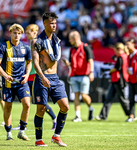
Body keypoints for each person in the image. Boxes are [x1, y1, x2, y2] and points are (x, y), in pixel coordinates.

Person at [31, 12, 69, 147]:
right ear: (44, 23)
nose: (54, 25)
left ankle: (56, 136)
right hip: (42, 77)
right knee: (41, 109)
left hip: (55, 78)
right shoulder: (37, 41)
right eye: (51, 23)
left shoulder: (57, 40)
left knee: (65, 106)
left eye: (55, 23)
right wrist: (42, 77)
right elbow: (35, 62)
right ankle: (38, 140)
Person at [12, 24, 57, 131]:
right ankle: (23, 124)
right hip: (29, 77)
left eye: (29, 32)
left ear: (35, 32)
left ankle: (55, 119)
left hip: (36, 77)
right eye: (26, 33)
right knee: (26, 102)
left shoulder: (39, 44)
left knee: (40, 102)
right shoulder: (28, 45)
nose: (26, 35)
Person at [0, 24, 32, 140]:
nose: (17, 35)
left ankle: (22, 131)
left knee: (27, 104)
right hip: (8, 83)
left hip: (22, 82)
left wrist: (27, 74)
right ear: (10, 33)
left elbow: (30, 62)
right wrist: (5, 75)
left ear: (22, 34)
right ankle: (8, 132)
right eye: (14, 33)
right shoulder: (3, 47)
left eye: (19, 33)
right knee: (8, 107)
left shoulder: (26, 48)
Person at [63, 30, 94, 122]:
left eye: (70, 39)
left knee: (84, 95)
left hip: (84, 75)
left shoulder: (86, 47)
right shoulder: (72, 49)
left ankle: (90, 107)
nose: (69, 41)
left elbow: (91, 60)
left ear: (75, 38)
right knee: (76, 96)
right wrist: (67, 63)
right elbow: (71, 63)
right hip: (74, 75)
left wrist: (91, 72)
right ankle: (78, 116)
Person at [95, 43, 130, 121]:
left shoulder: (121, 57)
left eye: (115, 50)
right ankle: (103, 115)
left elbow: (118, 68)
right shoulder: (124, 56)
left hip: (119, 80)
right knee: (109, 98)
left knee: (122, 99)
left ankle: (131, 114)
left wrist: (110, 71)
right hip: (116, 80)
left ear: (119, 49)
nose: (115, 52)